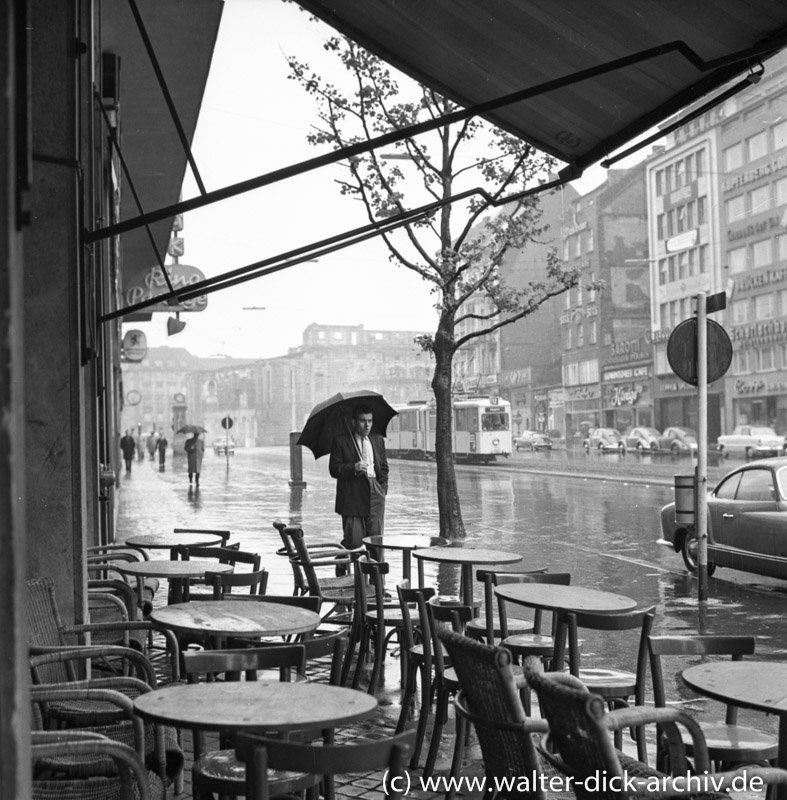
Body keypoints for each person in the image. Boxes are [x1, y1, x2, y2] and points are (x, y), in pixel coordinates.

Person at [329, 404, 389, 554]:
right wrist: (353, 468)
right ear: (354, 422)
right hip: (352, 496)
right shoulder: (341, 441)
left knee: (376, 542)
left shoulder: (377, 440)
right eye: (363, 421)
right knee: (354, 543)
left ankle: (376, 576)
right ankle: (348, 569)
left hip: (375, 493)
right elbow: (334, 469)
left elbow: (384, 467)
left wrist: (382, 489)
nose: (367, 425)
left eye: (370, 421)